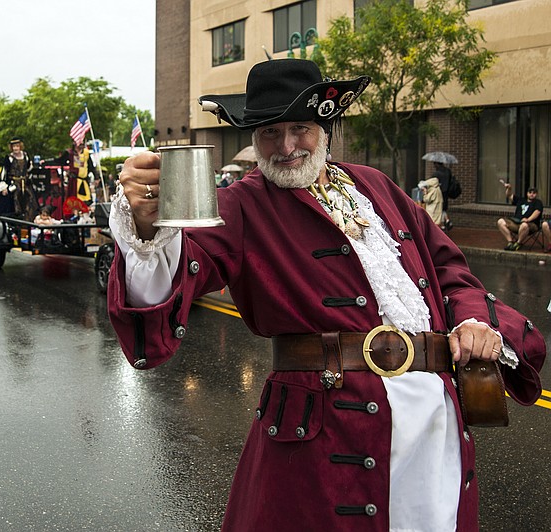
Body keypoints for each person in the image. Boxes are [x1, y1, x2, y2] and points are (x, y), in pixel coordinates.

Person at [107, 59, 545, 531]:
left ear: (325, 127)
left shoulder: (375, 186)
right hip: (325, 437)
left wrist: (473, 320)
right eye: (270, 132)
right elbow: (176, 273)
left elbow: (449, 268)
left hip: (436, 426)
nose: (286, 146)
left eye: (300, 128)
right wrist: (148, 228)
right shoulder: (240, 204)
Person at [496, 183, 543, 251]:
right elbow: (509, 195)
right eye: (530, 192)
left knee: (524, 225)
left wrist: (528, 219)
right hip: (516, 223)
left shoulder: (538, 202)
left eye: (534, 193)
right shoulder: (521, 200)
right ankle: (510, 242)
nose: (532, 194)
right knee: (500, 221)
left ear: (536, 194)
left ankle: (518, 243)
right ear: (527, 193)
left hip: (531, 224)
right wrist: (509, 188)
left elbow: (537, 212)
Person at [1, 137, 35, 219]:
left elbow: (29, 169)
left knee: (30, 199)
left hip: (25, 183)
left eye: (17, 146)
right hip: (13, 182)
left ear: (20, 146)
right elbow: (4, 171)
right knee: (13, 200)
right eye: (14, 146)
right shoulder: (9, 158)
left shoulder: (26, 156)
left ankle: (29, 217)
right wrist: (3, 186)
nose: (15, 148)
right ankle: (16, 217)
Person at [432, 161, 454, 230]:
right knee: (443, 208)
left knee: (439, 209)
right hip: (446, 192)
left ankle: (442, 224)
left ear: (437, 164)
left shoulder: (436, 173)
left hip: (439, 193)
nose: (434, 166)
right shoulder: (448, 171)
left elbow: (433, 183)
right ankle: (447, 221)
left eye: (434, 164)